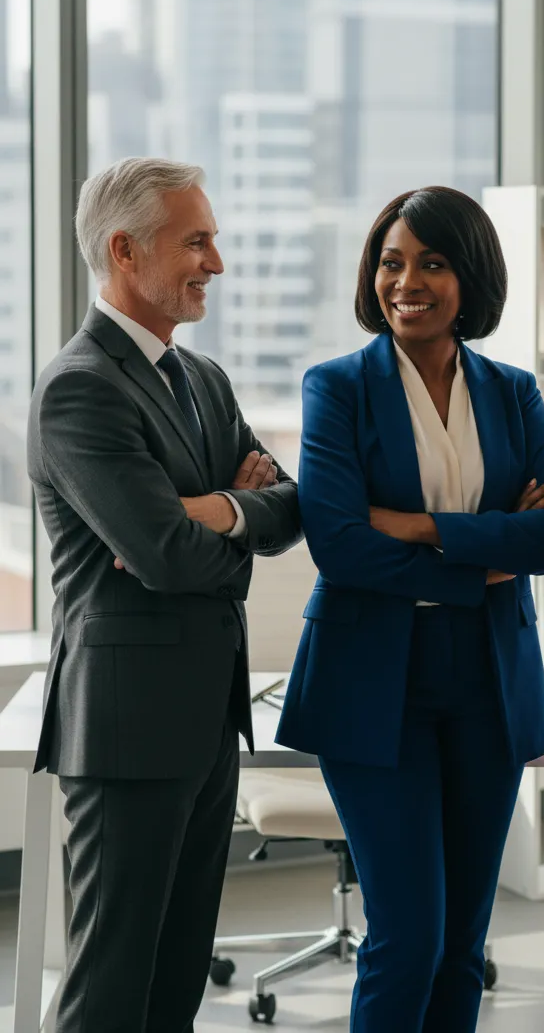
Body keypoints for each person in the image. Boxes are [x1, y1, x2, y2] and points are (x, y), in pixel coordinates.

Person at [277, 185, 544, 1033]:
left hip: (488, 680)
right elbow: (339, 544)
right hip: (373, 682)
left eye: (433, 263)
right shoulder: (337, 387)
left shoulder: (512, 391)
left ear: (469, 278)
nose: (406, 282)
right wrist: (487, 556)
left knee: (461, 946)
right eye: (391, 262)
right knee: (408, 937)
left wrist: (421, 529)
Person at [27, 157, 303, 1033]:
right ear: (124, 251)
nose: (216, 263)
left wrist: (212, 508)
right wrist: (225, 518)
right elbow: (167, 559)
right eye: (196, 242)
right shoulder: (80, 387)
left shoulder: (203, 379)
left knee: (177, 982)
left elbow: (292, 505)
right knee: (110, 993)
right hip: (127, 731)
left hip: (207, 721)